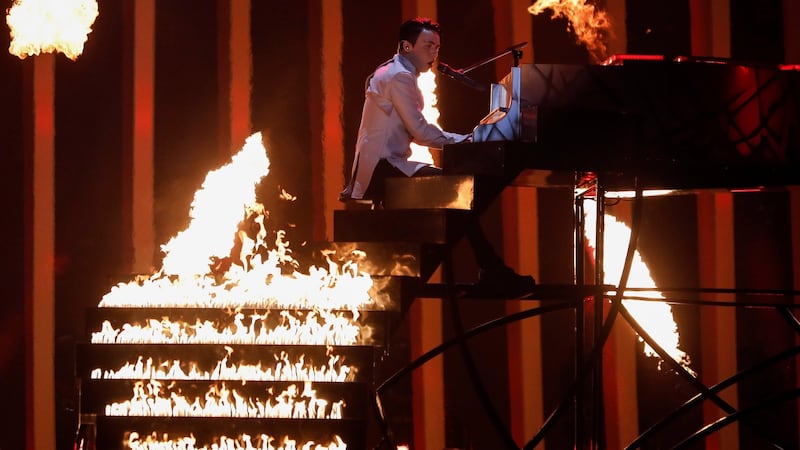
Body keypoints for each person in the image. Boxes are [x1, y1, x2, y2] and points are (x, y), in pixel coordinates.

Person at [339, 17, 535, 297]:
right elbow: (421, 132)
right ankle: (491, 269)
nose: (434, 53)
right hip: (384, 168)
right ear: (406, 46)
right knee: (458, 193)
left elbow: (418, 132)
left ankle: (491, 268)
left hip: (389, 164)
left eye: (437, 47)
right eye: (428, 45)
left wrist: (466, 140)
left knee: (460, 197)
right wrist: (469, 140)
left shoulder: (393, 72)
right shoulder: (399, 77)